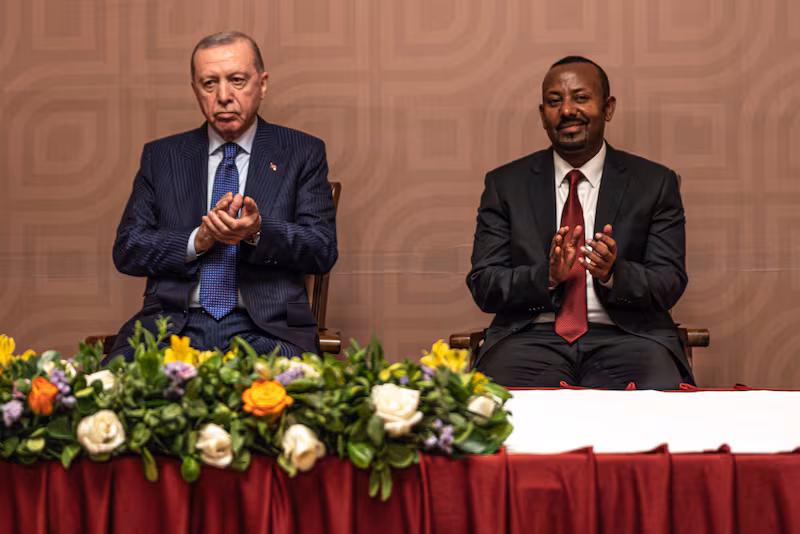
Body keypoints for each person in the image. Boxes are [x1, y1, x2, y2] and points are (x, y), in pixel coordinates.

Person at [107, 31, 337, 361]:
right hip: (171, 328)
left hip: (268, 330)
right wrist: (196, 241)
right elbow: (128, 250)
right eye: (209, 83)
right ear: (195, 90)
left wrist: (258, 232)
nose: (224, 96)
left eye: (237, 80)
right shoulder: (162, 157)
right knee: (110, 387)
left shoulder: (302, 152)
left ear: (262, 84)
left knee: (288, 389)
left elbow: (322, 249)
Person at [466, 56, 693, 389]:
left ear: (608, 108)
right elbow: (485, 284)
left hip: (630, 338)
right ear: (542, 114)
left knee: (659, 402)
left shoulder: (654, 183)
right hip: (529, 337)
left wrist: (613, 274)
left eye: (581, 98)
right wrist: (546, 277)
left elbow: (669, 282)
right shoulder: (506, 185)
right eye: (554, 101)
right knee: (496, 407)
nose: (567, 110)